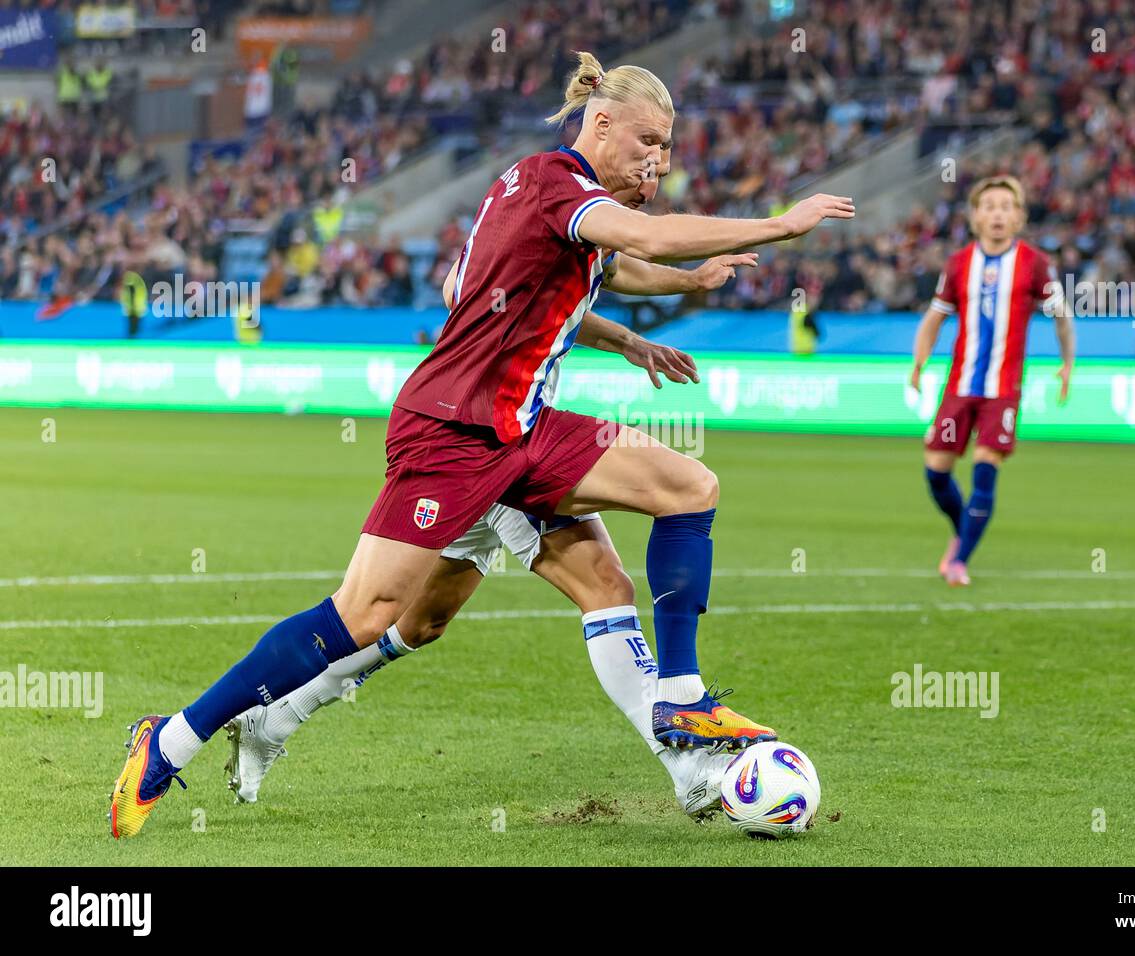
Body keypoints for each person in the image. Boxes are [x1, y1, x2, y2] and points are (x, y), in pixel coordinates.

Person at [109, 50, 854, 837]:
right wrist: (782, 223)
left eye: (667, 147)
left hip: (525, 430)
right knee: (368, 612)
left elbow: (588, 272)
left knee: (681, 494)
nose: (659, 160)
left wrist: (668, 305)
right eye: (648, 142)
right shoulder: (558, 184)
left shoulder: (535, 194)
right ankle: (172, 738)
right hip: (456, 433)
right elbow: (645, 239)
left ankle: (681, 705)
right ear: (600, 124)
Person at [226, 162, 758, 817]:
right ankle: (688, 765)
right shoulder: (544, 206)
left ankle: (271, 721)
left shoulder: (550, 216)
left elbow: (618, 271)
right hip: (495, 438)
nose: (649, 178)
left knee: (420, 623)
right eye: (647, 150)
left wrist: (675, 295)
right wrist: (635, 324)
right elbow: (470, 286)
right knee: (606, 589)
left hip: (496, 433)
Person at [910, 175, 1074, 587]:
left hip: (1002, 390)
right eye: (989, 206)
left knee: (985, 469)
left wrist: (1067, 362)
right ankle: (961, 530)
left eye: (1006, 206)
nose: (998, 213)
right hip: (959, 385)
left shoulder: (1035, 263)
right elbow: (934, 317)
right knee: (936, 473)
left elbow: (1061, 316)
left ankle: (960, 560)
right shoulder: (960, 263)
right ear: (974, 217)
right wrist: (919, 361)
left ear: (1019, 217)